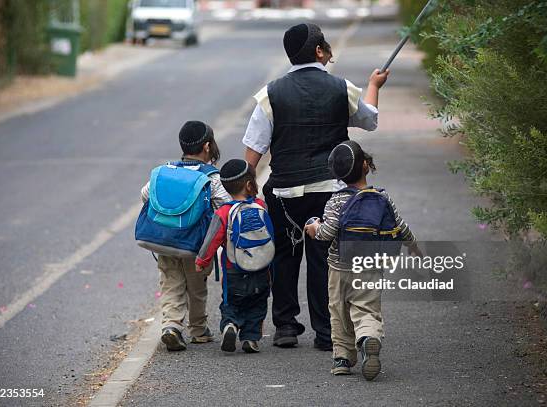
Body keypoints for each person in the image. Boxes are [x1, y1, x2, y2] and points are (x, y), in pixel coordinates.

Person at [243, 22, 390, 350]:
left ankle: (285, 327)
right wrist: (373, 85)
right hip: (331, 192)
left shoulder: (271, 94)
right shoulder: (342, 89)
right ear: (320, 51)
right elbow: (370, 120)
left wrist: (246, 189)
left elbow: (254, 150)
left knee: (284, 257)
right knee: (324, 260)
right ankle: (326, 333)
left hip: (284, 194)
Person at [305, 140, 422, 381]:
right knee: (366, 309)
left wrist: (313, 227)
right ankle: (369, 337)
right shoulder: (382, 197)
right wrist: (413, 246)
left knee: (338, 312)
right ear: (366, 166)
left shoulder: (336, 201)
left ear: (337, 176)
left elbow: (326, 234)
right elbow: (400, 226)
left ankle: (342, 358)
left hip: (339, 267)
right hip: (371, 267)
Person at [140, 121, 230, 351]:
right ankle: (198, 330)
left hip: (164, 240)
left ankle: (171, 326)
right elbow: (225, 206)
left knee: (170, 282)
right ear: (207, 146)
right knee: (196, 285)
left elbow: (146, 194)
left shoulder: (166, 171)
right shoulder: (212, 178)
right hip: (195, 244)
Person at [195, 159, 272, 354]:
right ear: (249, 185)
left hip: (234, 270)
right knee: (257, 305)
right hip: (261, 269)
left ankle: (230, 324)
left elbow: (211, 240)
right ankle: (250, 338)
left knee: (231, 303)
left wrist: (201, 261)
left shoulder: (224, 212)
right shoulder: (261, 205)